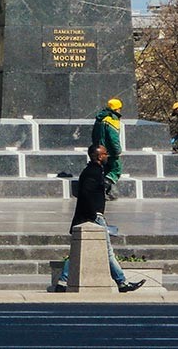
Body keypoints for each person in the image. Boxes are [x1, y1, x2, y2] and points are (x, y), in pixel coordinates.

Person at [54, 144, 144, 293]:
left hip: (89, 217)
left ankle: (62, 283)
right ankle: (122, 282)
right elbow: (86, 194)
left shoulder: (93, 171)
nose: (107, 156)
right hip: (93, 218)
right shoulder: (93, 172)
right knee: (107, 252)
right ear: (99, 156)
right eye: (105, 154)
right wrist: (94, 215)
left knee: (76, 251)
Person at [91, 98, 124, 200]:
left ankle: (107, 193)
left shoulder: (100, 118)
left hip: (100, 150)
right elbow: (113, 138)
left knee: (106, 170)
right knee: (116, 170)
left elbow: (93, 134)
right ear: (117, 109)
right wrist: (117, 150)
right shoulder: (112, 120)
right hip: (110, 151)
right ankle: (101, 190)